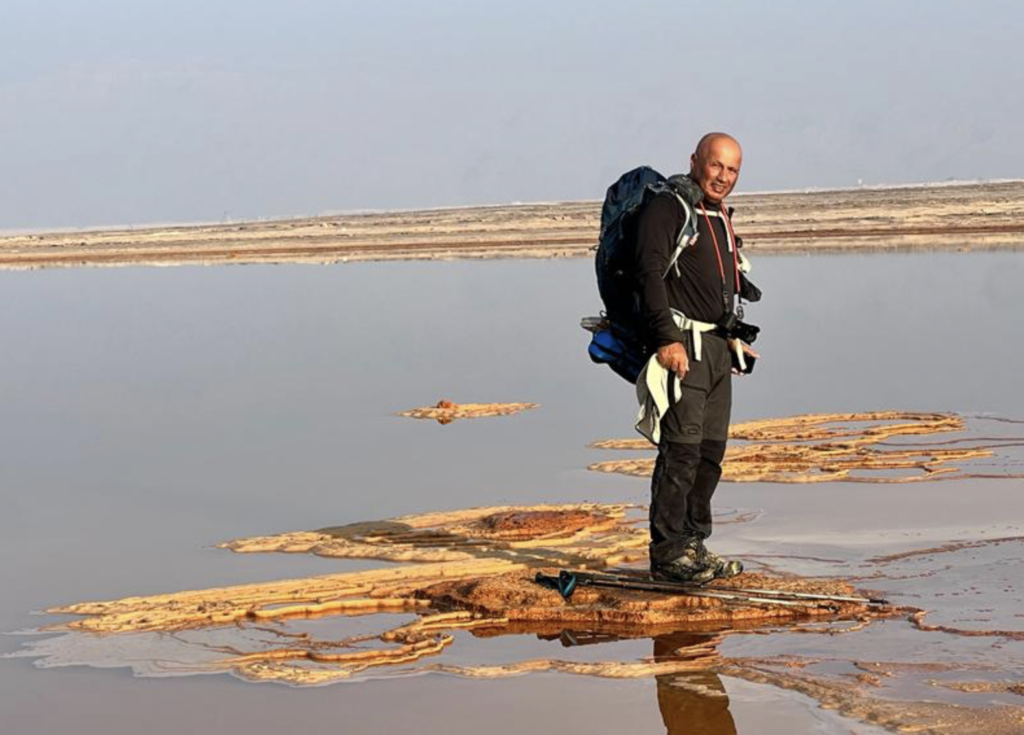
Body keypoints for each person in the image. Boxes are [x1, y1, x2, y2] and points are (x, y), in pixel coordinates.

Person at [634, 132, 758, 583]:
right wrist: (666, 339)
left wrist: (733, 338)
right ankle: (668, 555)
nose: (723, 177)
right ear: (695, 161)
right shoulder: (669, 207)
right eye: (716, 165)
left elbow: (719, 288)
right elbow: (648, 271)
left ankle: (694, 545)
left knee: (710, 455)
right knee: (681, 453)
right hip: (681, 348)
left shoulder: (719, 214)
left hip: (717, 351)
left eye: (732, 170)